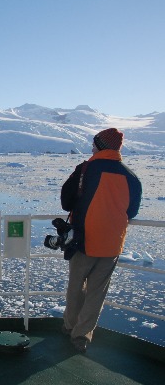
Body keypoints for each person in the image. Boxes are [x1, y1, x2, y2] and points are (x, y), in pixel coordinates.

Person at [59, 127, 142, 352]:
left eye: (94, 143)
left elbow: (66, 202)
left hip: (83, 241)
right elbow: (131, 211)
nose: (91, 146)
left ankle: (69, 327)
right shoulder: (131, 177)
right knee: (96, 293)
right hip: (112, 244)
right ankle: (81, 337)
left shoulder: (85, 169)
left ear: (101, 145)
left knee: (76, 288)